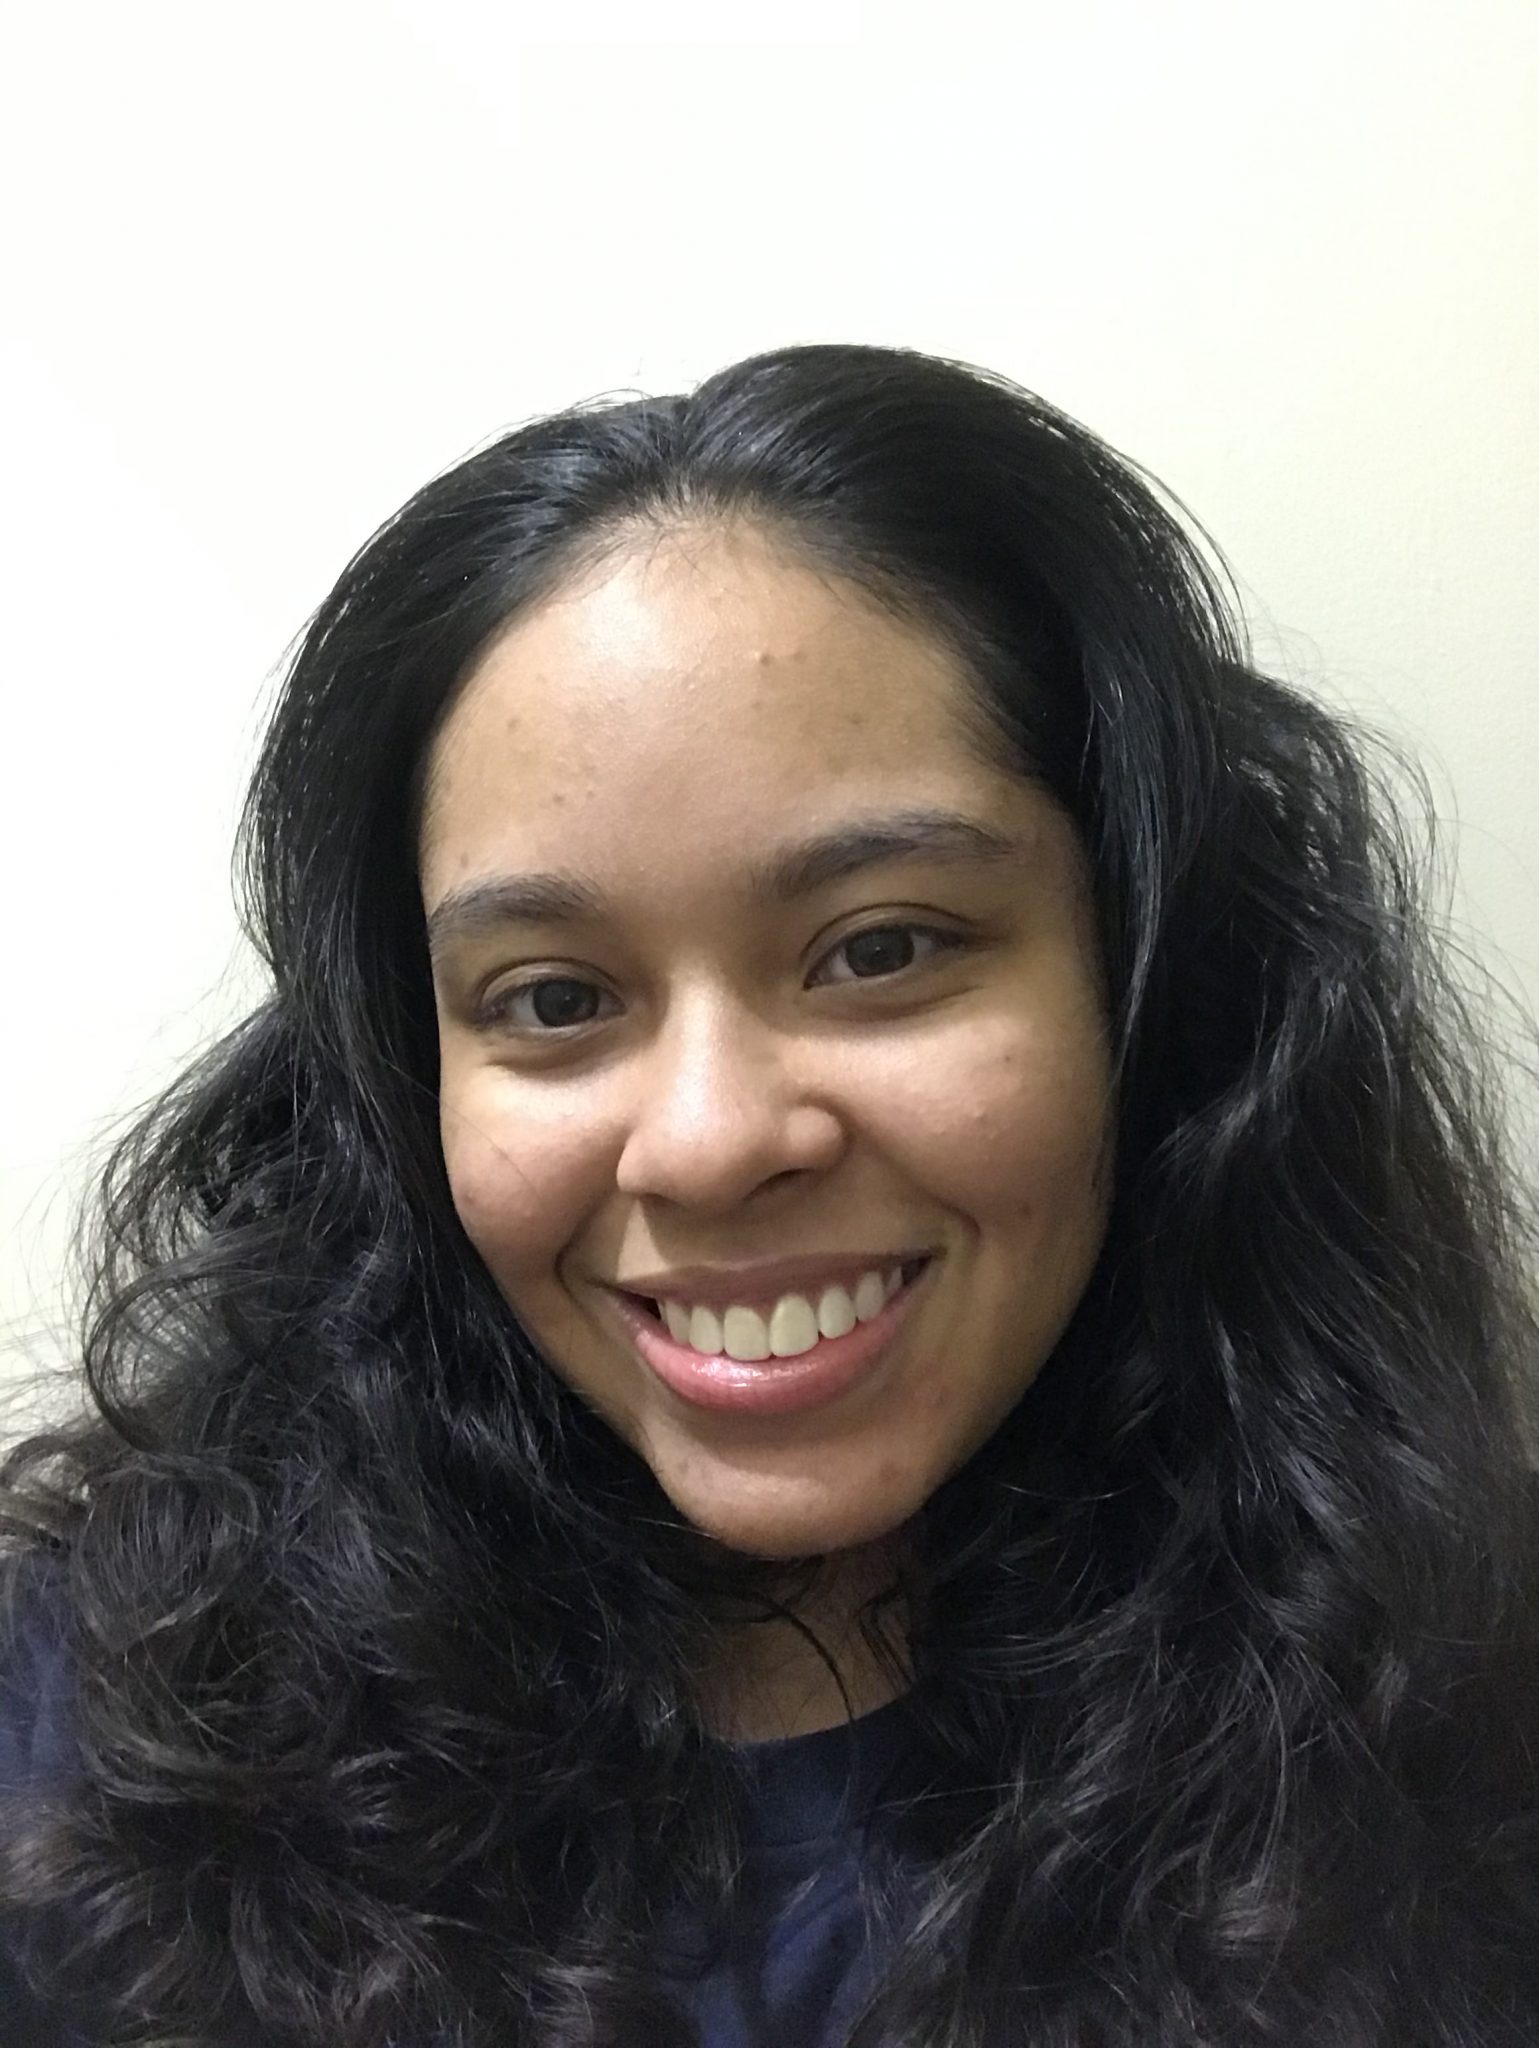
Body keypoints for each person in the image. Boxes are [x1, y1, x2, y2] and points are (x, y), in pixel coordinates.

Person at [2, 341, 1537, 2048]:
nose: (710, 1143)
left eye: (880, 950)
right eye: (553, 997)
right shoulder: (93, 1726)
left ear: (1151, 990)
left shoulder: (1477, 1719)